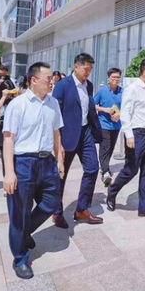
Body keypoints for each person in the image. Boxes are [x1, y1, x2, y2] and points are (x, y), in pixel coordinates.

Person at [3, 62, 64, 279]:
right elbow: (8, 139)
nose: (52, 81)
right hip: (24, 163)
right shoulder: (17, 105)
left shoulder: (53, 103)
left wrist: (59, 159)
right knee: (19, 213)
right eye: (48, 78)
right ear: (34, 80)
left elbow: (56, 133)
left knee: (52, 202)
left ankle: (24, 231)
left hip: (47, 162)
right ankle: (20, 259)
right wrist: (9, 172)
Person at [51, 53, 103, 227]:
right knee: (61, 174)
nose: (88, 72)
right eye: (86, 69)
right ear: (76, 66)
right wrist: (57, 142)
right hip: (67, 135)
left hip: (85, 132)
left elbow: (89, 108)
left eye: (90, 69)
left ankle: (81, 209)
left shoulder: (89, 85)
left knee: (92, 168)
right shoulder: (62, 86)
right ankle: (57, 212)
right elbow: (55, 114)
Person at [106, 59, 145, 218]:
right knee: (131, 170)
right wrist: (129, 135)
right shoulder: (132, 89)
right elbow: (125, 113)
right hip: (137, 135)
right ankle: (112, 191)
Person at [94, 68, 123, 186]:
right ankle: (105, 172)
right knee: (104, 147)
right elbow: (93, 105)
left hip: (116, 125)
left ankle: (104, 166)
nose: (115, 79)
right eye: (113, 77)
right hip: (104, 124)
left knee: (111, 148)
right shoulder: (102, 91)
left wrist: (119, 114)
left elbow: (127, 107)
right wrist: (104, 109)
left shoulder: (123, 92)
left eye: (117, 77)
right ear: (108, 78)